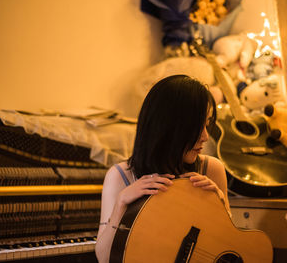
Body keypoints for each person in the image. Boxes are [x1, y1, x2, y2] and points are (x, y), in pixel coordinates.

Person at [95, 75, 230, 263]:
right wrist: (121, 203)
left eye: (206, 124)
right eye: (197, 127)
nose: (205, 136)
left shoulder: (212, 169)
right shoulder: (120, 176)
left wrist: (221, 205)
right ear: (169, 128)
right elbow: (103, 258)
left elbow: (227, 248)